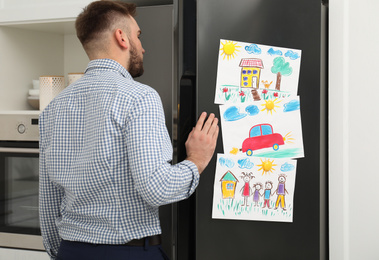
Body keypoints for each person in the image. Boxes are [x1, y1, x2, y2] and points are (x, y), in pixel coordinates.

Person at [38, 1, 219, 259]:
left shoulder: (52, 109)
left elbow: (48, 204)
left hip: (70, 251)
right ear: (121, 37)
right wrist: (197, 160)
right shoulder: (138, 97)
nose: (143, 47)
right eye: (138, 35)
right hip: (127, 253)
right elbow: (157, 187)